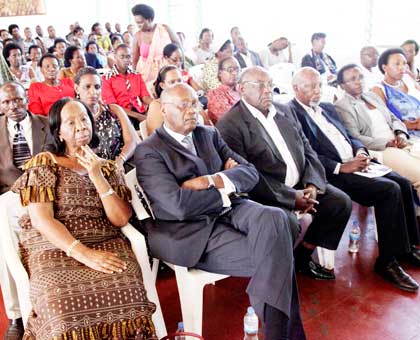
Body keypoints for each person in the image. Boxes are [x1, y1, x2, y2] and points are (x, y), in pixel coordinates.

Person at [134, 83, 306, 340]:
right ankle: (281, 336)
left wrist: (209, 181)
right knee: (277, 251)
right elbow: (178, 206)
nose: (192, 110)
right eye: (183, 105)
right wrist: (226, 183)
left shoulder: (208, 134)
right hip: (193, 231)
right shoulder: (150, 151)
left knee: (277, 217)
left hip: (231, 210)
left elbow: (249, 173)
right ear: (163, 109)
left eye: (195, 103)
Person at [11, 96, 157, 340]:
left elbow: (120, 219)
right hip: (54, 246)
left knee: (126, 285)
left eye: (84, 119)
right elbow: (41, 220)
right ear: (59, 133)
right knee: (59, 303)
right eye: (71, 122)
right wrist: (83, 253)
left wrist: (97, 176)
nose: (80, 126)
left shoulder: (108, 167)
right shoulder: (45, 163)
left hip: (105, 241)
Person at [289, 67, 420, 292]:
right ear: (295, 88)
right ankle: (387, 262)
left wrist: (360, 152)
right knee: (389, 191)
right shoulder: (291, 113)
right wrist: (342, 167)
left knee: (404, 183)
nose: (316, 90)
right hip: (333, 172)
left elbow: (350, 136)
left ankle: (405, 247)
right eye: (310, 86)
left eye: (319, 85)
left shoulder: (328, 108)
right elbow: (305, 153)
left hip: (355, 161)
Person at [217, 66, 352, 280]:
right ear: (242, 89)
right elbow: (248, 175)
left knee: (340, 203)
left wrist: (312, 186)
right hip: (267, 192)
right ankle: (276, 273)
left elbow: (308, 150)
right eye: (260, 85)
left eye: (270, 84)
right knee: (286, 222)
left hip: (301, 185)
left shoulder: (284, 111)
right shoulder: (230, 124)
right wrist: (291, 198)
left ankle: (303, 255)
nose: (268, 90)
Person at [0, 81, 51, 339]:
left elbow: (55, 159)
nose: (13, 107)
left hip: (45, 192)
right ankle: (16, 316)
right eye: (6, 102)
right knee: (4, 247)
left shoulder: (46, 123)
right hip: (9, 196)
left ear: (26, 98)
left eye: (17, 100)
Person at [335, 64, 420, 199]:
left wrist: (401, 134)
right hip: (380, 148)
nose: (359, 81)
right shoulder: (342, 106)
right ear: (342, 85)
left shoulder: (372, 96)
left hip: (399, 141)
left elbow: (393, 118)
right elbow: (355, 137)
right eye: (352, 79)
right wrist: (387, 143)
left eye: (361, 77)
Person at [75, 66, 138, 168]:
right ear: (77, 88)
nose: (93, 92)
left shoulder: (113, 110)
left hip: (123, 164)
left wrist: (120, 160)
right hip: (91, 172)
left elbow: (131, 141)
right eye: (87, 87)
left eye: (97, 87)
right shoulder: (73, 118)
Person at [146, 65, 211, 135]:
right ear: (162, 85)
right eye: (172, 82)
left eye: (179, 81)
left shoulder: (192, 100)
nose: (177, 85)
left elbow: (207, 125)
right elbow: (155, 136)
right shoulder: (156, 105)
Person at [371, 48, 420, 137]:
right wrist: (414, 125)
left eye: (404, 63)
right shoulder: (378, 89)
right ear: (384, 67)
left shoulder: (408, 79)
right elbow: (386, 120)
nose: (402, 68)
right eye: (397, 64)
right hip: (406, 133)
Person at [102, 44, 152, 130]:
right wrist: (138, 116)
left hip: (138, 111)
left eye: (128, 56)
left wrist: (157, 104)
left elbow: (145, 97)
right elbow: (113, 106)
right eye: (122, 56)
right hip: (120, 115)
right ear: (115, 57)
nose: (125, 60)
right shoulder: (107, 78)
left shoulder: (136, 75)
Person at [131, 3, 180, 84]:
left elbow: (178, 47)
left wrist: (181, 67)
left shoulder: (164, 29)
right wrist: (134, 79)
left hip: (167, 74)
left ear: (150, 19)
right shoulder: (137, 36)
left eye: (141, 22)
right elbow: (134, 60)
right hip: (145, 77)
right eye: (137, 23)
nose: (138, 26)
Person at [207, 56, 241, 123]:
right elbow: (230, 119)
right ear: (220, 73)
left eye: (237, 70)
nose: (235, 73)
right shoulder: (215, 94)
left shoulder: (243, 88)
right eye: (230, 70)